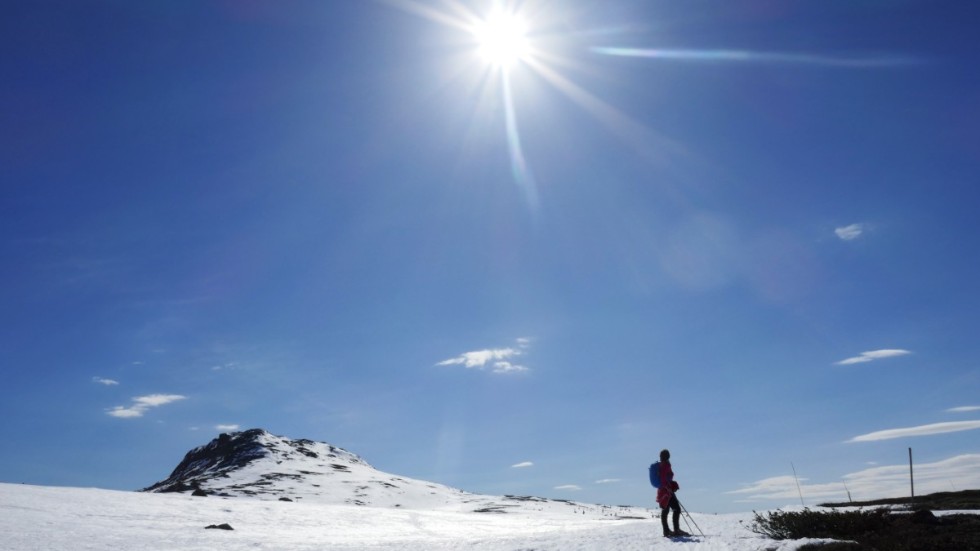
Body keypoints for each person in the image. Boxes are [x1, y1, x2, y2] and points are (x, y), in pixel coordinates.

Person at [656, 449, 690, 537]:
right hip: (666, 491)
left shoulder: (661, 465)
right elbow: (664, 478)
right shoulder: (665, 465)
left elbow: (663, 478)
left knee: (666, 510)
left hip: (662, 491)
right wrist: (668, 487)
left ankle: (667, 531)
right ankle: (675, 530)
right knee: (676, 509)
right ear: (668, 456)